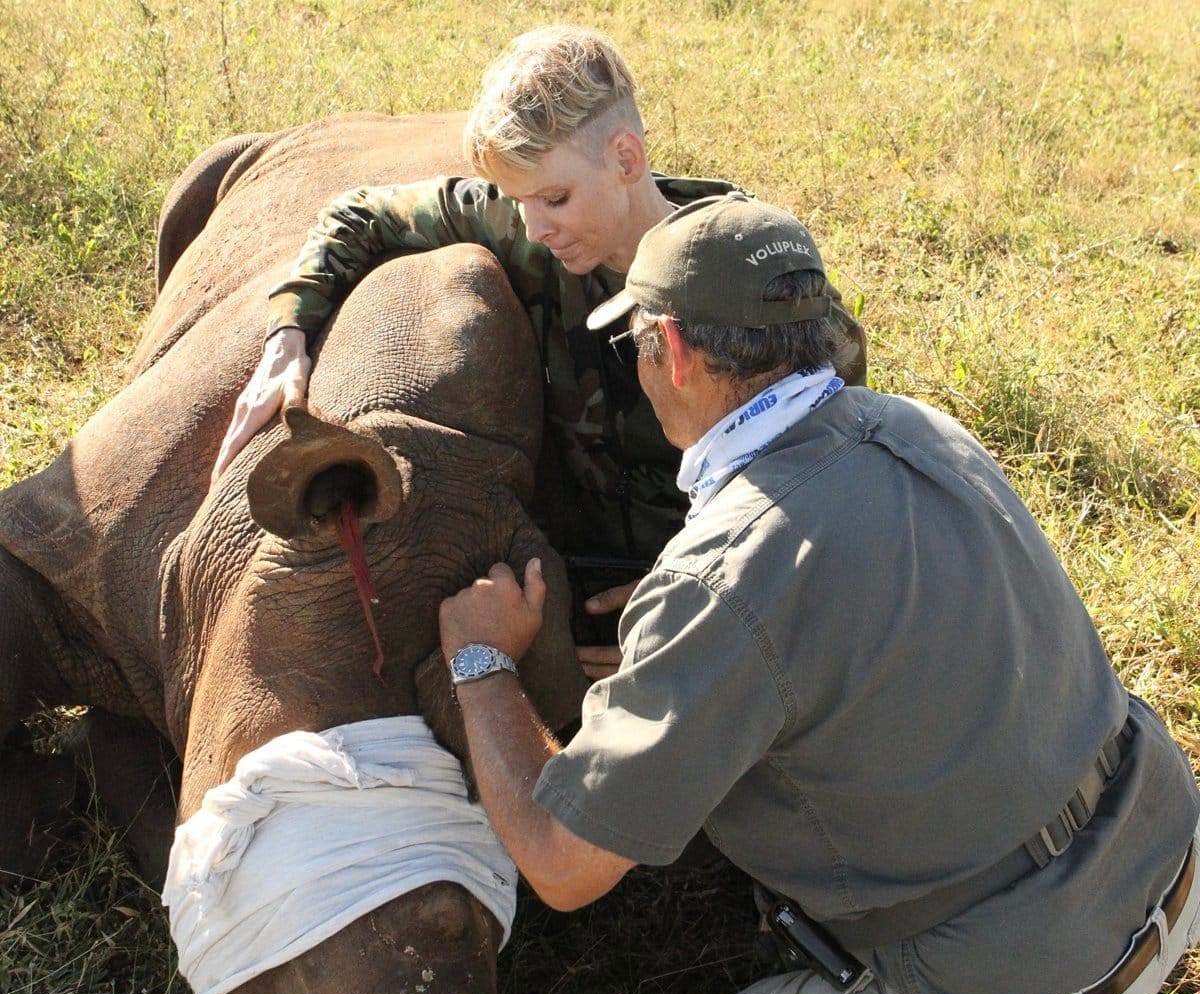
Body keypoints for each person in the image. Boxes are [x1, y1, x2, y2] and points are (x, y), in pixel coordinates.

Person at [436, 193, 1200, 994]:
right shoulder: (917, 425)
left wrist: (482, 662)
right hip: (1162, 870)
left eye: (636, 347)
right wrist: (703, 648)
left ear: (672, 347)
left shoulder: (724, 577)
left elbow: (562, 865)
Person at [208, 25, 866, 676]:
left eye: (554, 197)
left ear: (627, 159)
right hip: (571, 591)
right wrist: (287, 337)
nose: (534, 227)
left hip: (726, 598)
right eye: (521, 202)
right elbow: (357, 216)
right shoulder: (534, 230)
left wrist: (708, 597)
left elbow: (833, 496)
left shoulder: (763, 287)